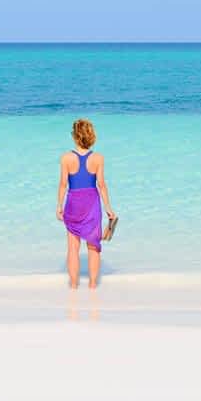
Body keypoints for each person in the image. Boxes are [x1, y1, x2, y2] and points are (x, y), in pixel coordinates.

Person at [56, 118, 117, 289]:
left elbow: (63, 184)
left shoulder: (66, 158)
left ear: (75, 137)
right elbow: (102, 185)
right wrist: (108, 209)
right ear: (91, 136)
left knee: (73, 247)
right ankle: (92, 286)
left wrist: (59, 206)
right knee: (93, 246)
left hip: (74, 202)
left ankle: (74, 285)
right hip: (91, 203)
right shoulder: (98, 158)